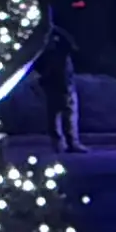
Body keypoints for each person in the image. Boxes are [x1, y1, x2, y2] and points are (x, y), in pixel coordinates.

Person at [37, 24, 81, 153]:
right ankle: (66, 143)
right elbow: (71, 44)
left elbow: (72, 44)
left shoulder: (55, 51)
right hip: (58, 83)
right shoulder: (56, 52)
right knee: (61, 113)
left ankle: (65, 143)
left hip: (60, 82)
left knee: (60, 113)